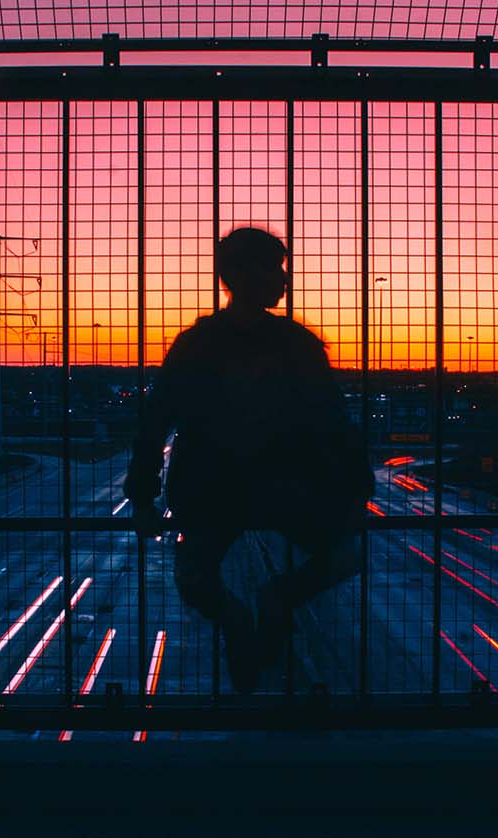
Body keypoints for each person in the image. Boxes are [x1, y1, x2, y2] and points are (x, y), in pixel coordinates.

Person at [123, 226, 374, 691]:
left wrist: (144, 496)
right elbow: (333, 421)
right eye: (273, 268)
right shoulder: (295, 344)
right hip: (281, 486)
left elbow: (155, 420)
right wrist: (357, 489)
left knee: (195, 577)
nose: (283, 280)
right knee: (343, 555)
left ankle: (240, 623)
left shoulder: (198, 343)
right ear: (238, 275)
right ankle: (273, 602)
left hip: (212, 487)